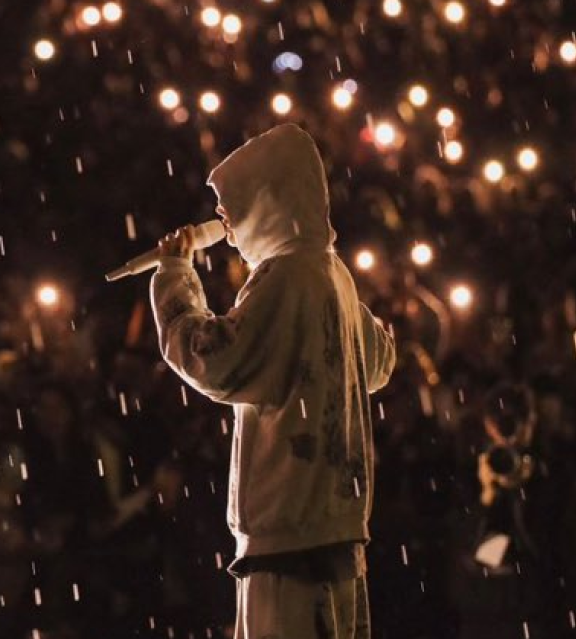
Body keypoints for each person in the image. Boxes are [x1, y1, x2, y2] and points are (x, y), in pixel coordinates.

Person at [149, 123, 396, 639]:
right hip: (334, 524)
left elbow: (216, 362)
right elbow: (378, 362)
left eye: (233, 203)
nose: (224, 218)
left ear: (268, 199)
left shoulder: (286, 276)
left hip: (290, 529)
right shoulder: (331, 273)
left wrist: (175, 277)